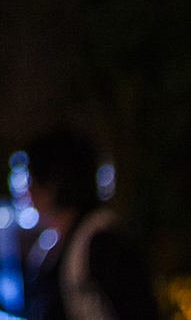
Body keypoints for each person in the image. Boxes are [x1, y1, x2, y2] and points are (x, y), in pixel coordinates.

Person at [22, 128, 158, 320]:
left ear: (53, 183)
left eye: (31, 178)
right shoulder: (55, 246)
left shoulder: (101, 243)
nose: (27, 190)